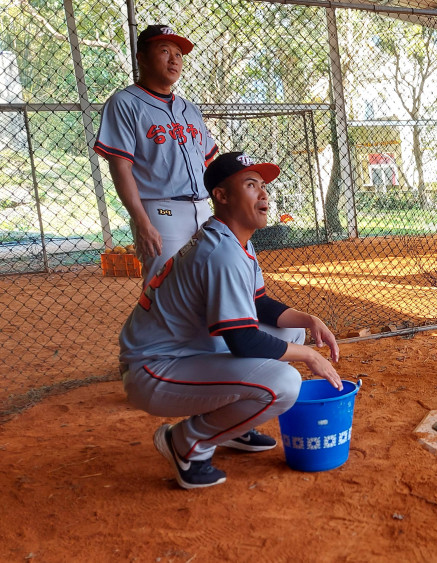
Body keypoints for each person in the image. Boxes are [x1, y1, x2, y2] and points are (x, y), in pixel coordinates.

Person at [119, 151, 343, 489]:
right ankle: (187, 444)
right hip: (154, 370)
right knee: (282, 384)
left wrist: (309, 319)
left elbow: (258, 303)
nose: (264, 194)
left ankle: (233, 427)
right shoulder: (221, 253)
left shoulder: (235, 241)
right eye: (251, 185)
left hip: (185, 351)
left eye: (264, 185)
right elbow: (244, 341)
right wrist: (312, 356)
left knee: (293, 330)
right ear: (221, 196)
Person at [94, 24, 219, 286]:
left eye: (179, 54)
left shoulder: (190, 109)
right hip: (162, 212)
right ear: (141, 58)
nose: (174, 59)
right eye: (164, 50)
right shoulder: (125, 103)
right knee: (166, 292)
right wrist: (141, 222)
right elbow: (121, 168)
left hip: (203, 210)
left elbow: (209, 162)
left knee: (211, 287)